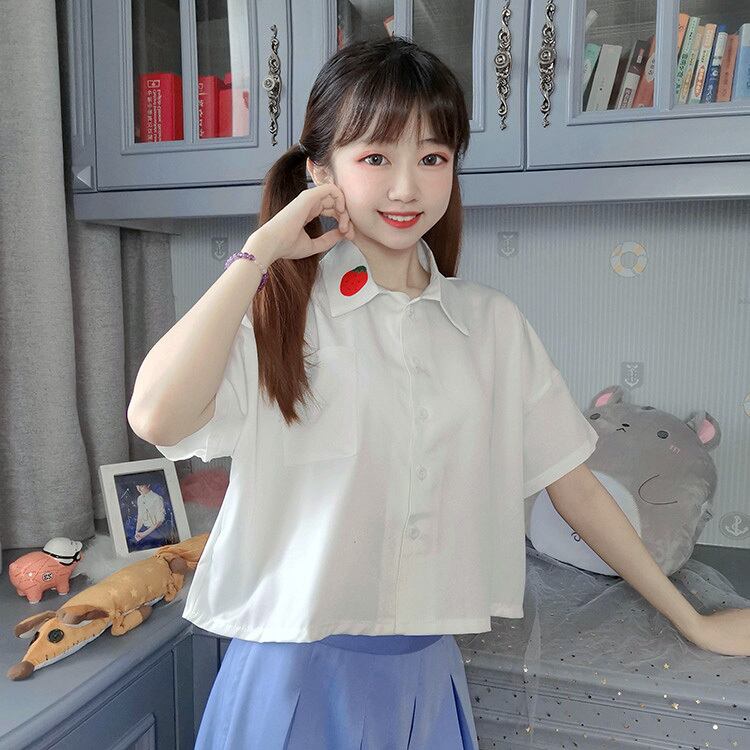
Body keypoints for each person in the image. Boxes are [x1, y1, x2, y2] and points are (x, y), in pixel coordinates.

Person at [127, 36, 750, 750]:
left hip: (423, 677)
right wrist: (261, 253)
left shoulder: (492, 327)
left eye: (432, 158)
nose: (406, 188)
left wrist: (691, 620)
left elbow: (575, 488)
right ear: (320, 172)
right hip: (287, 678)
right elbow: (156, 416)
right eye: (375, 157)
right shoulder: (280, 319)